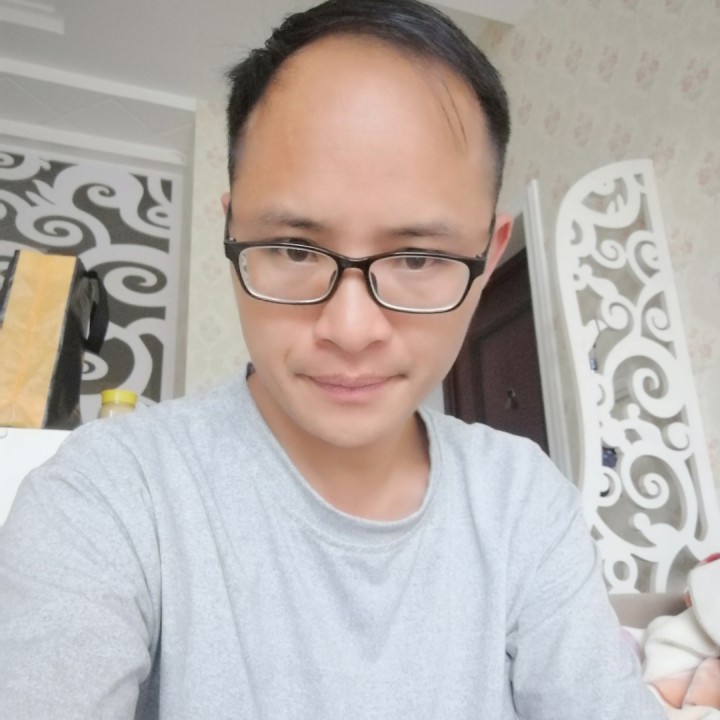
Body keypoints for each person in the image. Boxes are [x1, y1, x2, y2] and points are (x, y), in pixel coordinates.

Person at [0, 1, 664, 718]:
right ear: (231, 232)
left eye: (418, 257)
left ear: (487, 258)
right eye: (293, 249)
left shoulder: (524, 502)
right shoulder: (108, 493)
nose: (351, 329)